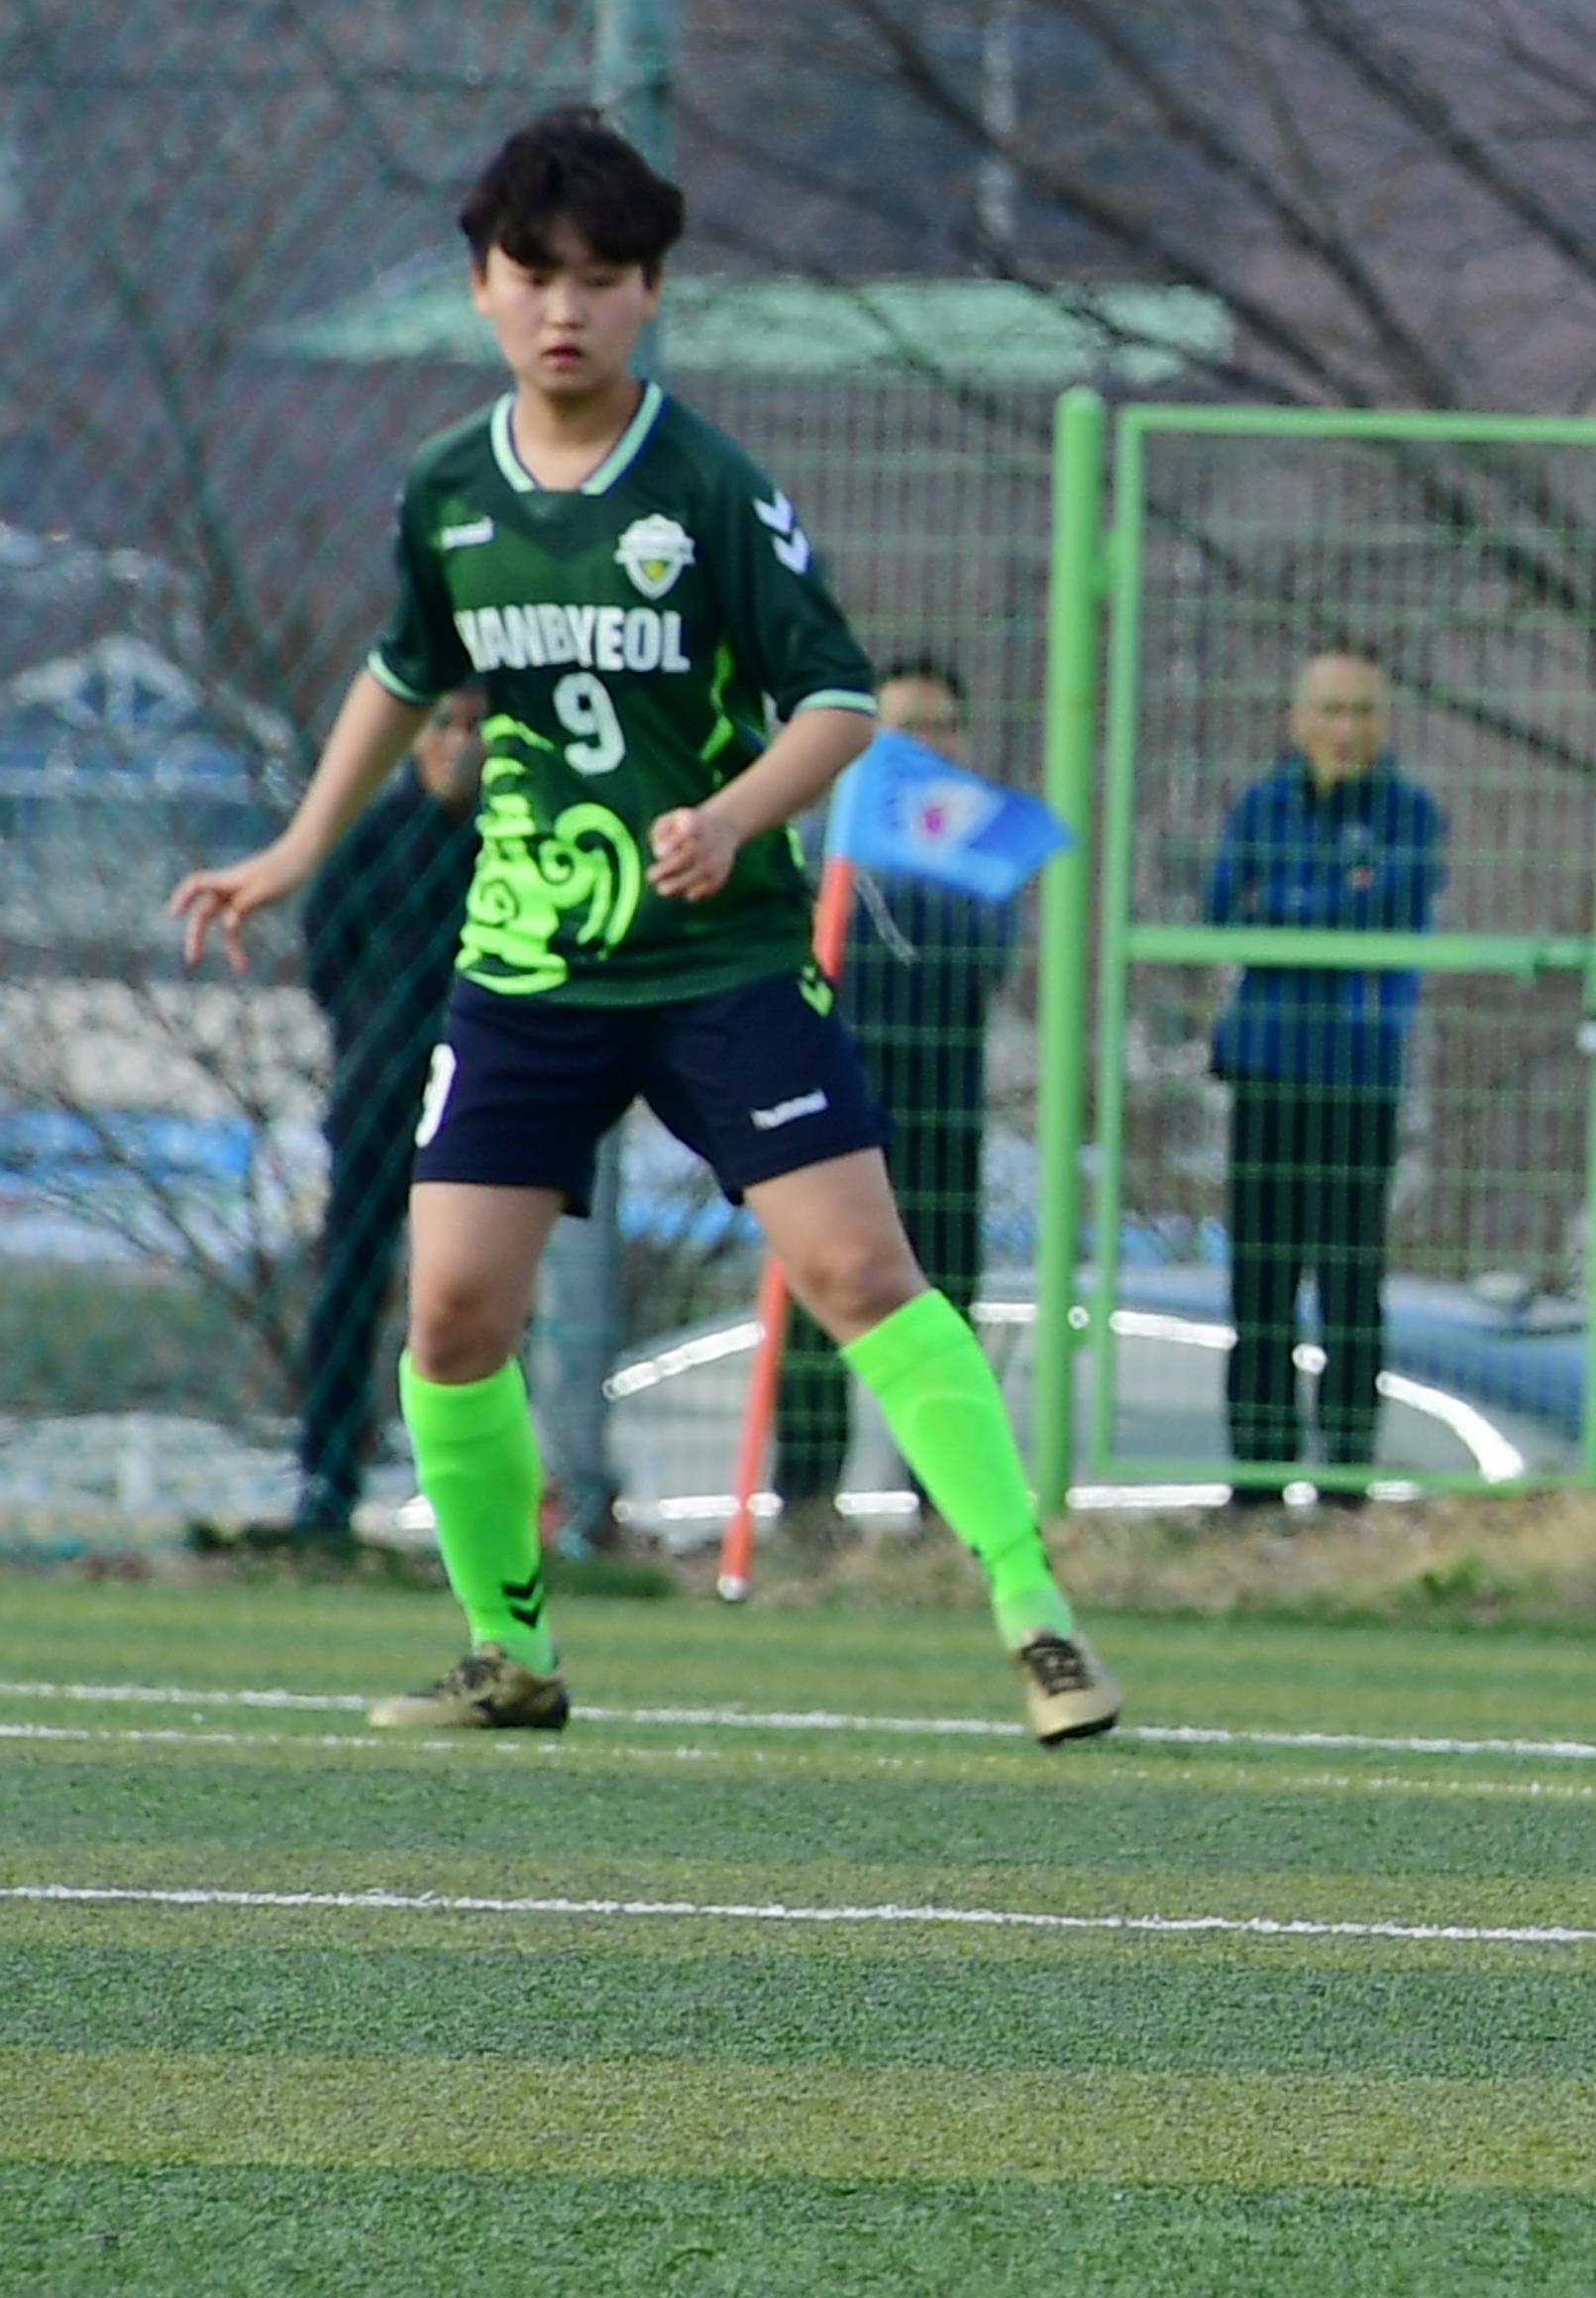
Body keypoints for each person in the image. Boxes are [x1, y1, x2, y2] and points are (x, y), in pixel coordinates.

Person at [169, 106, 1118, 1744]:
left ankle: (1034, 1609)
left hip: (718, 957)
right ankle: (509, 1648)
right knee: (453, 1309)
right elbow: (406, 673)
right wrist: (298, 847)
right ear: (480, 287)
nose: (565, 308)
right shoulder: (451, 490)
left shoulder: (706, 484)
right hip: (529, 966)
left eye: (601, 279)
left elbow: (834, 696)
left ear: (650, 294)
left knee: (857, 1269)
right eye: (532, 275)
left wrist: (738, 813)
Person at [775, 657, 1018, 1536]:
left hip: (941, 1108)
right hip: (830, 1099)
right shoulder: (816, 842)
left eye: (940, 729)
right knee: (819, 1296)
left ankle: (942, 1502)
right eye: (904, 727)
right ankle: (805, 1497)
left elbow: (980, 961)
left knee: (939, 1299)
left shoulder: (978, 846)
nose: (924, 745)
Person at [1208, 649, 1441, 1507]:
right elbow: (1227, 906)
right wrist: (1324, 902)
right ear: (1298, 718)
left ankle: (1345, 1478)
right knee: (1260, 1279)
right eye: (1330, 710)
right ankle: (1255, 1479)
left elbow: (1385, 905)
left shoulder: (1410, 814)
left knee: (1350, 1279)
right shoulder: (1261, 805)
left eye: (1363, 711)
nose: (1346, 728)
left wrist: (1293, 907)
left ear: (1384, 722)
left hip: (1357, 1070)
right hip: (1268, 1067)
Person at [284, 688, 484, 1538]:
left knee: (476, 1294)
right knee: (351, 1283)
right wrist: (373, 1036)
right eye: (443, 725)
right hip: (376, 1100)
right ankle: (326, 1476)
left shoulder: (515, 847)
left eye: (481, 727)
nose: (460, 747)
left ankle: (488, 1490)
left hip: (481, 1107)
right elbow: (327, 951)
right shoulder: (375, 838)